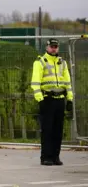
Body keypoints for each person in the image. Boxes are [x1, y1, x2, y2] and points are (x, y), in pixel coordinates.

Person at [31, 38, 73, 166]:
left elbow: (67, 82)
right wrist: (40, 99)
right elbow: (35, 82)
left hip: (60, 100)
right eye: (52, 46)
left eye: (56, 47)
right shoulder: (40, 62)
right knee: (47, 130)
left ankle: (55, 156)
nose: (54, 49)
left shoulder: (62, 63)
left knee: (58, 130)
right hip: (47, 99)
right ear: (47, 47)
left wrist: (70, 99)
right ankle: (46, 157)